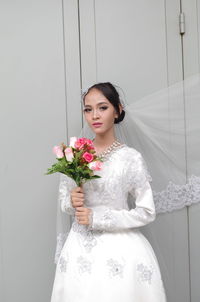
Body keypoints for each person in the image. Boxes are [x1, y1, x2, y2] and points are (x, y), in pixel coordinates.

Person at [50, 82, 167, 301]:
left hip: (121, 252)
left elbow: (147, 211)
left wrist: (97, 217)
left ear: (118, 110)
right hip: (79, 251)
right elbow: (64, 203)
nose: (95, 115)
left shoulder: (130, 158)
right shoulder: (74, 154)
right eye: (88, 109)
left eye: (102, 107)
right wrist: (71, 201)